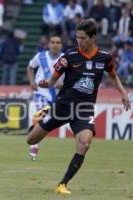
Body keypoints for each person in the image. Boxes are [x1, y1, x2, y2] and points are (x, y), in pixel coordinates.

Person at [27, 19, 131, 195]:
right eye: (77, 38)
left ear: (93, 38)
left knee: (84, 143)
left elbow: (113, 76)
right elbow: (52, 81)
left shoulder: (105, 57)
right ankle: (43, 115)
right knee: (31, 140)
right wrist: (45, 84)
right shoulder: (68, 57)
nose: (79, 41)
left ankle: (62, 184)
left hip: (84, 109)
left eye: (83, 38)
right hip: (62, 107)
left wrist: (123, 93)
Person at [26, 34, 63, 160]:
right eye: (52, 42)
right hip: (41, 92)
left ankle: (35, 124)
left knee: (49, 118)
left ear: (61, 45)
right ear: (48, 44)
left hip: (58, 95)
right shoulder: (41, 56)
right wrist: (31, 82)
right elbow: (30, 67)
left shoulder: (65, 59)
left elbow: (71, 76)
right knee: (41, 114)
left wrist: (63, 84)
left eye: (57, 42)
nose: (55, 45)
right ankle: (34, 147)